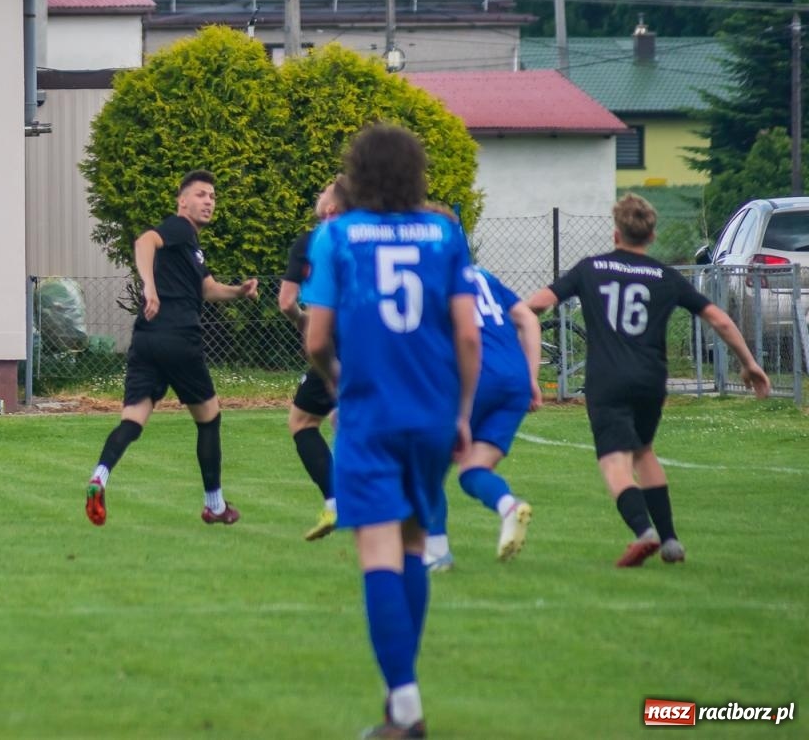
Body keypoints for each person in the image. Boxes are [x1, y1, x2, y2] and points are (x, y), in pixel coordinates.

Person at [302, 124, 481, 739]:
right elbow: (467, 334)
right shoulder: (445, 234)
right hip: (432, 415)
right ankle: (397, 706)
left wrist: (336, 379)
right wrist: (461, 412)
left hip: (370, 414)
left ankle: (404, 706)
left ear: (356, 174)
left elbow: (317, 338)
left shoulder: (337, 236)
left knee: (378, 552)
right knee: (412, 544)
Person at [526, 193, 769, 567]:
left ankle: (644, 531)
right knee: (643, 451)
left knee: (614, 463)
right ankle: (671, 540)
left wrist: (515, 329)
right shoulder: (665, 277)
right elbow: (719, 319)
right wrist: (749, 363)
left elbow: (536, 304)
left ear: (615, 233)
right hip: (651, 380)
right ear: (651, 236)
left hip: (607, 379)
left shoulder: (591, 269)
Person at [84, 170, 259, 527]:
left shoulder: (191, 246)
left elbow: (207, 289)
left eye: (212, 196)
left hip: (147, 339)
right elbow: (144, 242)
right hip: (179, 337)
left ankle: (100, 475)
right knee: (209, 419)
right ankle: (214, 504)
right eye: (200, 194)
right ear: (182, 201)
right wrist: (149, 287)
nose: (209, 200)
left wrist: (239, 291)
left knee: (133, 420)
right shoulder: (178, 228)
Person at [415, 205, 543, 570]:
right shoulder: (483, 275)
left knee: (428, 466)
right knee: (473, 471)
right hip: (514, 381)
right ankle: (509, 507)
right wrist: (531, 376)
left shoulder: (432, 278)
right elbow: (527, 320)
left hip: (473, 378)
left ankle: (437, 554)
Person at [278, 177, 345, 541]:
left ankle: (337, 502)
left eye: (323, 192)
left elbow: (287, 301)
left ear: (331, 207)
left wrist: (304, 321)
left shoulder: (314, 240)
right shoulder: (374, 236)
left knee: (303, 423)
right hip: (385, 344)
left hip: (338, 344)